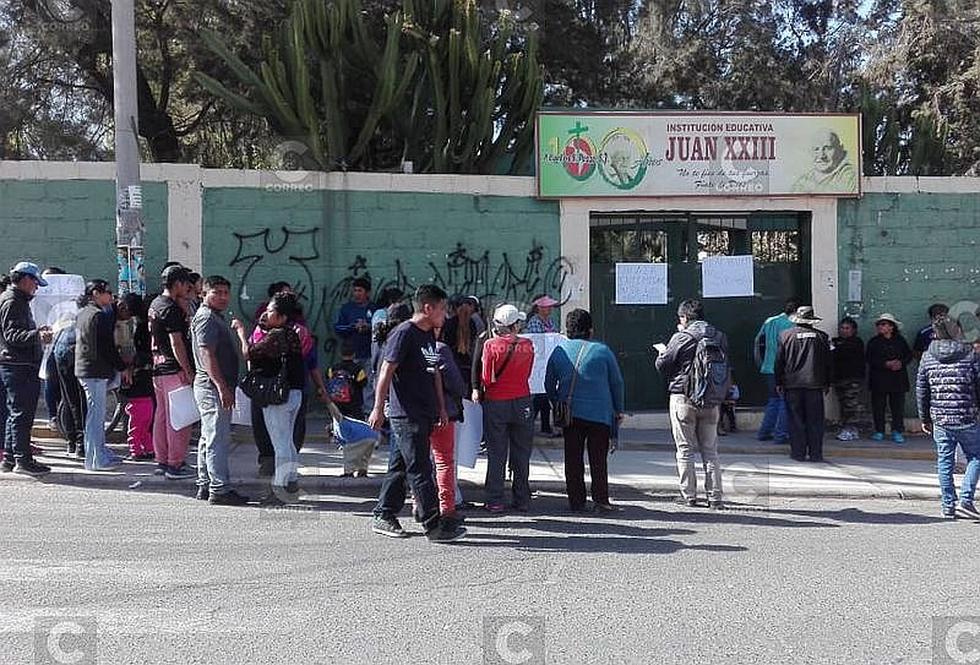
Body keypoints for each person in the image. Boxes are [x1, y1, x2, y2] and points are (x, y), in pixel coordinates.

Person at [368, 284, 466, 543]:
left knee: (400, 467)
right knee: (420, 469)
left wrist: (441, 408)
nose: (445, 315)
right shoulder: (404, 333)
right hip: (406, 414)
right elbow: (386, 371)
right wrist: (378, 408)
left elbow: (434, 373)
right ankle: (433, 524)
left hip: (426, 412)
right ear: (428, 307)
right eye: (442, 309)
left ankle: (384, 513)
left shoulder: (427, 336)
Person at [545, 308, 624, 513]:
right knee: (598, 460)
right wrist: (619, 410)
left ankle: (576, 501)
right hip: (600, 414)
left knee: (573, 459)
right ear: (590, 330)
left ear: (568, 330)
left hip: (571, 413)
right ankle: (601, 500)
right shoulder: (603, 351)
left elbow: (548, 383)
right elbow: (616, 383)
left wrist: (557, 402)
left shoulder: (559, 351)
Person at [235, 292, 307, 505]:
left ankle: (280, 490)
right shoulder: (291, 333)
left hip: (279, 397)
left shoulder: (277, 336)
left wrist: (241, 332)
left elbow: (249, 353)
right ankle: (291, 481)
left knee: (280, 444)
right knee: (288, 442)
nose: (266, 313)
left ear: (283, 316)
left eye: (271, 311)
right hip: (294, 394)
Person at [655, 299, 728, 509]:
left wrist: (662, 352)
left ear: (684, 317)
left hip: (683, 398)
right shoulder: (719, 336)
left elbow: (663, 364)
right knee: (710, 451)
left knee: (685, 449)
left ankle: (689, 496)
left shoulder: (682, 337)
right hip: (711, 400)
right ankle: (715, 497)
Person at [192, 276, 250, 506]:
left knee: (209, 436)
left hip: (212, 385)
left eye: (226, 292)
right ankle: (219, 488)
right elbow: (207, 354)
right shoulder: (206, 318)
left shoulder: (214, 317)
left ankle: (205, 483)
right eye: (217, 292)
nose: (223, 297)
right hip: (212, 386)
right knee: (217, 437)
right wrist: (221, 386)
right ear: (204, 294)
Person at [916, 315, 980, 520]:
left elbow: (922, 390)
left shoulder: (927, 356)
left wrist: (924, 417)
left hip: (940, 419)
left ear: (935, 334)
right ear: (958, 331)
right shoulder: (970, 353)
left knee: (944, 461)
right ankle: (966, 501)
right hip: (967, 416)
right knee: (976, 457)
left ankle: (948, 506)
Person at [479, 303, 535, 513]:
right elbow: (528, 372)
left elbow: (486, 377)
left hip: (496, 401)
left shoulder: (491, 345)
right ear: (515, 324)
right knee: (521, 453)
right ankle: (522, 498)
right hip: (522, 400)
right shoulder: (527, 345)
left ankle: (494, 500)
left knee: (497, 452)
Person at [0, 262, 54, 476]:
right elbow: (13, 336)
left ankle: (12, 458)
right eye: (35, 283)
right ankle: (23, 460)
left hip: (15, 364)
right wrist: (37, 336)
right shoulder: (13, 302)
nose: (36, 288)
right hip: (17, 365)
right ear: (24, 280)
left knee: (15, 413)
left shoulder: (13, 299)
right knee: (22, 414)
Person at [148, 265, 197, 479]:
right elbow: (177, 343)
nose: (188, 289)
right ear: (177, 284)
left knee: (162, 416)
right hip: (173, 370)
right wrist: (188, 370)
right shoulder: (171, 308)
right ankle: (175, 464)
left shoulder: (156, 304)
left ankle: (162, 459)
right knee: (179, 419)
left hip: (158, 369)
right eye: (186, 284)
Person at [75, 280, 128, 471]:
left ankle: (100, 453)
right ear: (96, 293)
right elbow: (107, 346)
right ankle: (96, 460)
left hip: (88, 369)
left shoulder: (84, 313)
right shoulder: (97, 316)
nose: (111, 296)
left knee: (95, 415)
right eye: (107, 292)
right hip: (94, 370)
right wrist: (121, 367)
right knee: (96, 417)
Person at [775, 306, 833, 463]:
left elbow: (779, 361)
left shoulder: (785, 336)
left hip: (792, 385)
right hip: (815, 384)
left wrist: (778, 381)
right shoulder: (822, 337)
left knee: (795, 420)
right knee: (815, 421)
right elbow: (828, 363)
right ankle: (816, 454)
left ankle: (798, 453)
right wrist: (827, 382)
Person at [430, 326, 467, 524]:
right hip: (443, 411)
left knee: (422, 461)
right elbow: (455, 382)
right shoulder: (439, 349)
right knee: (444, 461)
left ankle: (421, 504)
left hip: (419, 411)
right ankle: (447, 507)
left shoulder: (410, 347)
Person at [754, 299, 798, 444]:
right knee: (785, 402)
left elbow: (758, 342)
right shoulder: (792, 325)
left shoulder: (770, 321)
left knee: (773, 401)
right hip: (784, 369)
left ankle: (764, 432)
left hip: (768, 367)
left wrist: (761, 363)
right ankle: (781, 434)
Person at [866, 313, 913, 443]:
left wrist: (900, 363)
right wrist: (885, 364)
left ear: (891, 327)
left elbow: (908, 355)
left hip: (897, 379)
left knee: (897, 406)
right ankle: (879, 430)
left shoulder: (900, 341)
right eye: (879, 324)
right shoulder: (874, 342)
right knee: (878, 406)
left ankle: (897, 430)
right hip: (879, 379)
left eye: (884, 324)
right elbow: (870, 359)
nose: (880, 327)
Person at [526, 294, 560, 439]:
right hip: (539, 363)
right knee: (541, 395)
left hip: (549, 362)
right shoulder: (535, 322)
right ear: (539, 308)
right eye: (547, 307)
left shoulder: (550, 321)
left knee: (543, 395)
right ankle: (538, 426)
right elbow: (538, 342)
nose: (550, 309)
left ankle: (540, 426)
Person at [52, 309, 85, 458]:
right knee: (78, 401)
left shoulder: (69, 317)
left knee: (68, 399)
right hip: (73, 354)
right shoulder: (92, 314)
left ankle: (72, 443)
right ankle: (80, 443)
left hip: (60, 352)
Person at [831, 316, 866, 442]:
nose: (844, 330)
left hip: (852, 380)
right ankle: (845, 428)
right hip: (839, 379)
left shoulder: (856, 342)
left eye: (847, 328)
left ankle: (852, 429)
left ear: (853, 330)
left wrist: (834, 347)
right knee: (843, 405)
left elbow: (840, 352)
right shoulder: (836, 342)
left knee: (852, 406)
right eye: (842, 328)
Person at [791, 129, 858, 193]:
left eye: (828, 148)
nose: (821, 156)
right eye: (816, 149)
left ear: (840, 149)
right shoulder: (802, 182)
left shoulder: (850, 176)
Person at [334, 276, 375, 368]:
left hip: (370, 355)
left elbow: (382, 329)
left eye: (360, 290)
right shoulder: (346, 309)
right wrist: (353, 327)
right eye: (355, 290)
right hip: (351, 356)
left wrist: (368, 327)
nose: (357, 294)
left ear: (367, 293)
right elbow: (338, 328)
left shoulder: (374, 309)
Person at [328, 341, 368, 420]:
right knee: (358, 422)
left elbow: (329, 379)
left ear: (340, 354)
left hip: (337, 402)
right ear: (354, 355)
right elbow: (363, 383)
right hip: (354, 404)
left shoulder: (333, 368)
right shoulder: (358, 369)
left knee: (337, 422)